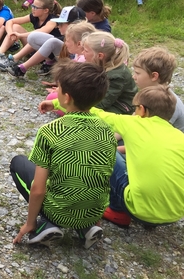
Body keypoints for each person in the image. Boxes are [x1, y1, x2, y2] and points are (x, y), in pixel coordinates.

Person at [12, 61, 117, 248]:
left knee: (18, 163)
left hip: (58, 211)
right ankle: (86, 227)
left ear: (66, 98)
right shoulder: (107, 131)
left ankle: (47, 224)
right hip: (95, 211)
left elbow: (38, 189)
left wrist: (29, 223)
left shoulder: (50, 131)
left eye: (58, 87)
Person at [51, 86, 184, 228]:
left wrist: (55, 103)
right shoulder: (179, 136)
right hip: (174, 214)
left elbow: (96, 114)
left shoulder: (135, 123)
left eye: (135, 109)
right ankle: (153, 213)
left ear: (142, 110)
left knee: (101, 146)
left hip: (137, 209)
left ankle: (117, 211)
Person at [5, 6, 86, 78]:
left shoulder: (84, 40)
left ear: (73, 24)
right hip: (65, 60)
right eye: (58, 23)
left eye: (61, 23)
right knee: (33, 37)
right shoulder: (67, 36)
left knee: (53, 41)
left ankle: (22, 68)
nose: (58, 26)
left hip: (73, 67)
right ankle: (50, 62)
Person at [0, 0, 61, 66]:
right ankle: (0, 53)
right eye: (32, 5)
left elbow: (41, 32)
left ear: (46, 10)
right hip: (35, 48)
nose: (33, 9)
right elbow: (10, 21)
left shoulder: (53, 20)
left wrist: (20, 35)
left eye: (36, 7)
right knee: (15, 27)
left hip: (48, 52)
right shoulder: (35, 16)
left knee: (35, 36)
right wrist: (10, 33)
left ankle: (14, 59)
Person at [81, 32, 136, 114]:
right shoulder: (100, 65)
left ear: (100, 56)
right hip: (106, 101)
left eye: (85, 50)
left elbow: (104, 102)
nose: (82, 53)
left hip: (121, 107)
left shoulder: (117, 76)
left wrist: (79, 108)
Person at [131, 47, 184, 132]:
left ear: (154, 76)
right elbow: (133, 121)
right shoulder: (148, 93)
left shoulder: (167, 104)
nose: (133, 76)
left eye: (137, 73)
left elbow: (156, 138)